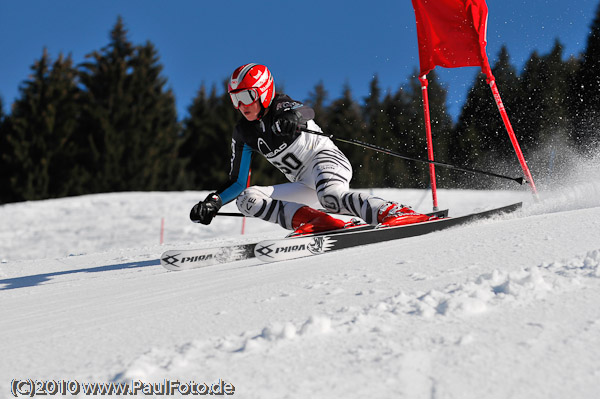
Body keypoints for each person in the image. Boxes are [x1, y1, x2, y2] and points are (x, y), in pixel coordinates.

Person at [190, 63, 435, 234]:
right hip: (303, 183)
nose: (241, 106)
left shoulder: (280, 105)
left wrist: (293, 118)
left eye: (246, 97)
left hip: (326, 160)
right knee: (247, 199)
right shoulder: (244, 132)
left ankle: (392, 211)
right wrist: (214, 202)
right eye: (235, 99)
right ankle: (317, 222)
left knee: (330, 197)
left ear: (263, 92)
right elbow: (238, 182)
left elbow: (307, 111)